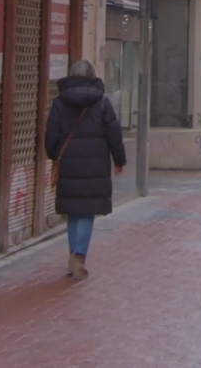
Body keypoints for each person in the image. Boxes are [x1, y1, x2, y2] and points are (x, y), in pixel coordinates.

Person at [45, 59, 127, 279]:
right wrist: (119, 160)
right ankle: (79, 255)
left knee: (73, 212)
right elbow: (114, 134)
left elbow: (51, 136)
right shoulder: (102, 103)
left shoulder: (60, 103)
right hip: (95, 166)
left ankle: (73, 254)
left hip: (69, 165)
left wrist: (54, 156)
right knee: (86, 212)